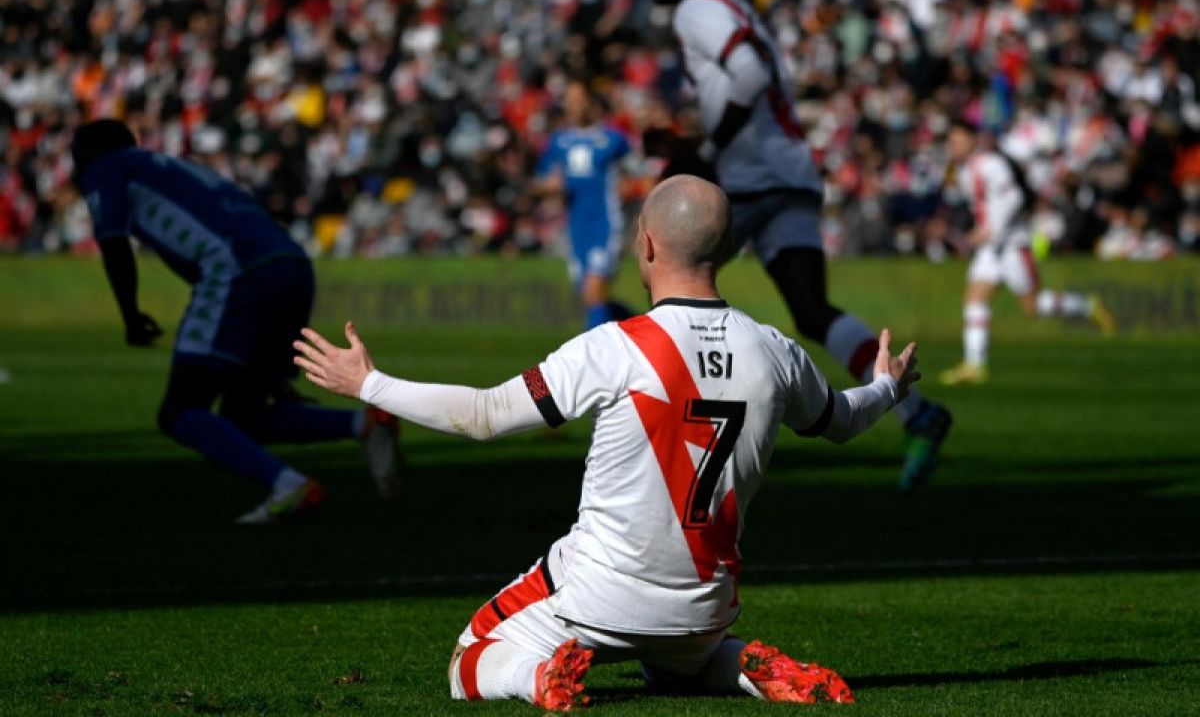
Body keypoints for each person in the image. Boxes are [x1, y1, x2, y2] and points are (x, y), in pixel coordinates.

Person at [294, 175, 920, 711]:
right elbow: (841, 419)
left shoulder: (614, 347)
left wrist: (369, 383)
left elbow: (484, 415)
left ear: (645, 245)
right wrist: (887, 388)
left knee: (470, 659)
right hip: (704, 607)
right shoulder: (775, 349)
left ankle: (541, 677)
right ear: (726, 249)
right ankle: (745, 669)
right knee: (679, 669)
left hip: (599, 596)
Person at [650, 0, 949, 491]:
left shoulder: (696, 6)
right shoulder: (733, 6)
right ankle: (917, 412)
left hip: (754, 175)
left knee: (667, 277)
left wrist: (707, 151)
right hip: (790, 170)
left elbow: (749, 76)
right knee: (812, 311)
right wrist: (689, 144)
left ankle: (665, 433)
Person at [71, 119, 401, 523]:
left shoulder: (105, 167)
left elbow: (113, 242)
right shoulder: (170, 164)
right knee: (244, 412)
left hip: (239, 270)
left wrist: (130, 314)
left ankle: (289, 485)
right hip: (292, 264)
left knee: (180, 410)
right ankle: (366, 422)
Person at [939, 120, 1116, 384]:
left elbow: (1014, 198)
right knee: (975, 297)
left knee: (1033, 306)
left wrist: (990, 229)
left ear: (973, 140)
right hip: (991, 248)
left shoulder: (991, 164)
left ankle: (1086, 306)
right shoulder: (963, 171)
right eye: (950, 142)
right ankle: (974, 365)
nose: (952, 147)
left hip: (1012, 244)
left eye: (957, 141)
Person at [535, 79, 635, 329]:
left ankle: (591, 359)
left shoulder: (613, 139)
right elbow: (540, 182)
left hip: (605, 224)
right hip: (577, 229)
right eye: (569, 100)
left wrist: (630, 188)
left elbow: (639, 173)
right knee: (592, 298)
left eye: (578, 99)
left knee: (594, 290)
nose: (573, 105)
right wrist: (549, 186)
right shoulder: (559, 142)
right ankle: (643, 325)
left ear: (591, 103)